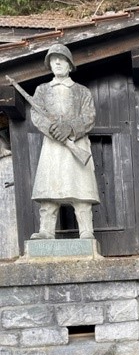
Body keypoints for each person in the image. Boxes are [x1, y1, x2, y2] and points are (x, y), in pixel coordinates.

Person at [29, 42, 100, 240]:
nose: (58, 62)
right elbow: (36, 115)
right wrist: (52, 130)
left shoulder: (82, 92)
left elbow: (89, 117)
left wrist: (70, 128)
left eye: (62, 60)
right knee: (49, 189)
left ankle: (86, 231)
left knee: (80, 190)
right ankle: (46, 231)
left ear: (70, 65)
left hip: (76, 145)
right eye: (54, 60)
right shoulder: (42, 90)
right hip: (53, 147)